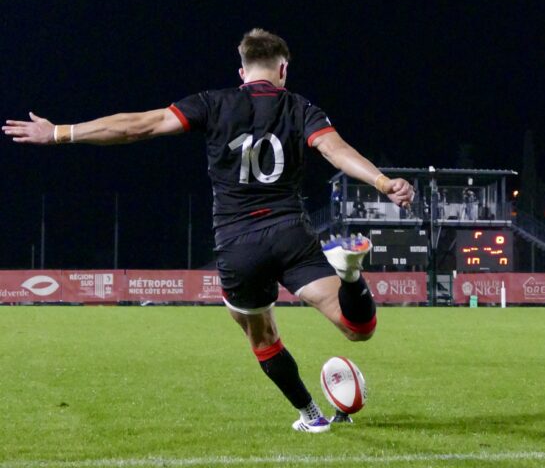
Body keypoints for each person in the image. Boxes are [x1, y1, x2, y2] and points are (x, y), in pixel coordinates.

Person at [3, 28, 414, 433]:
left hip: (238, 245)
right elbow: (335, 150)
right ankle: (352, 275)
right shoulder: (302, 108)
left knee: (262, 335)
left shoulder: (212, 103)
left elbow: (139, 125)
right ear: (283, 69)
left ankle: (311, 415)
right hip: (291, 233)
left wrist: (60, 132)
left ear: (242, 72)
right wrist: (383, 183)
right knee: (357, 328)